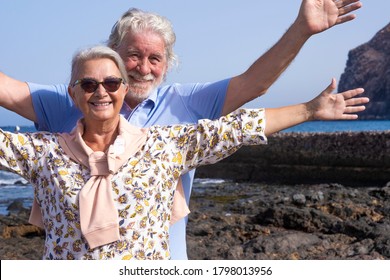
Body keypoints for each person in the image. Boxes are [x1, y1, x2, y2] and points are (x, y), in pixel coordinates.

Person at [0, 0, 363, 259]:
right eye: (133, 56)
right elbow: (7, 92)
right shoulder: (68, 105)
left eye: (154, 58)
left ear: (166, 65)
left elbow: (249, 101)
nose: (143, 68)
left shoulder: (176, 124)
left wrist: (302, 35)